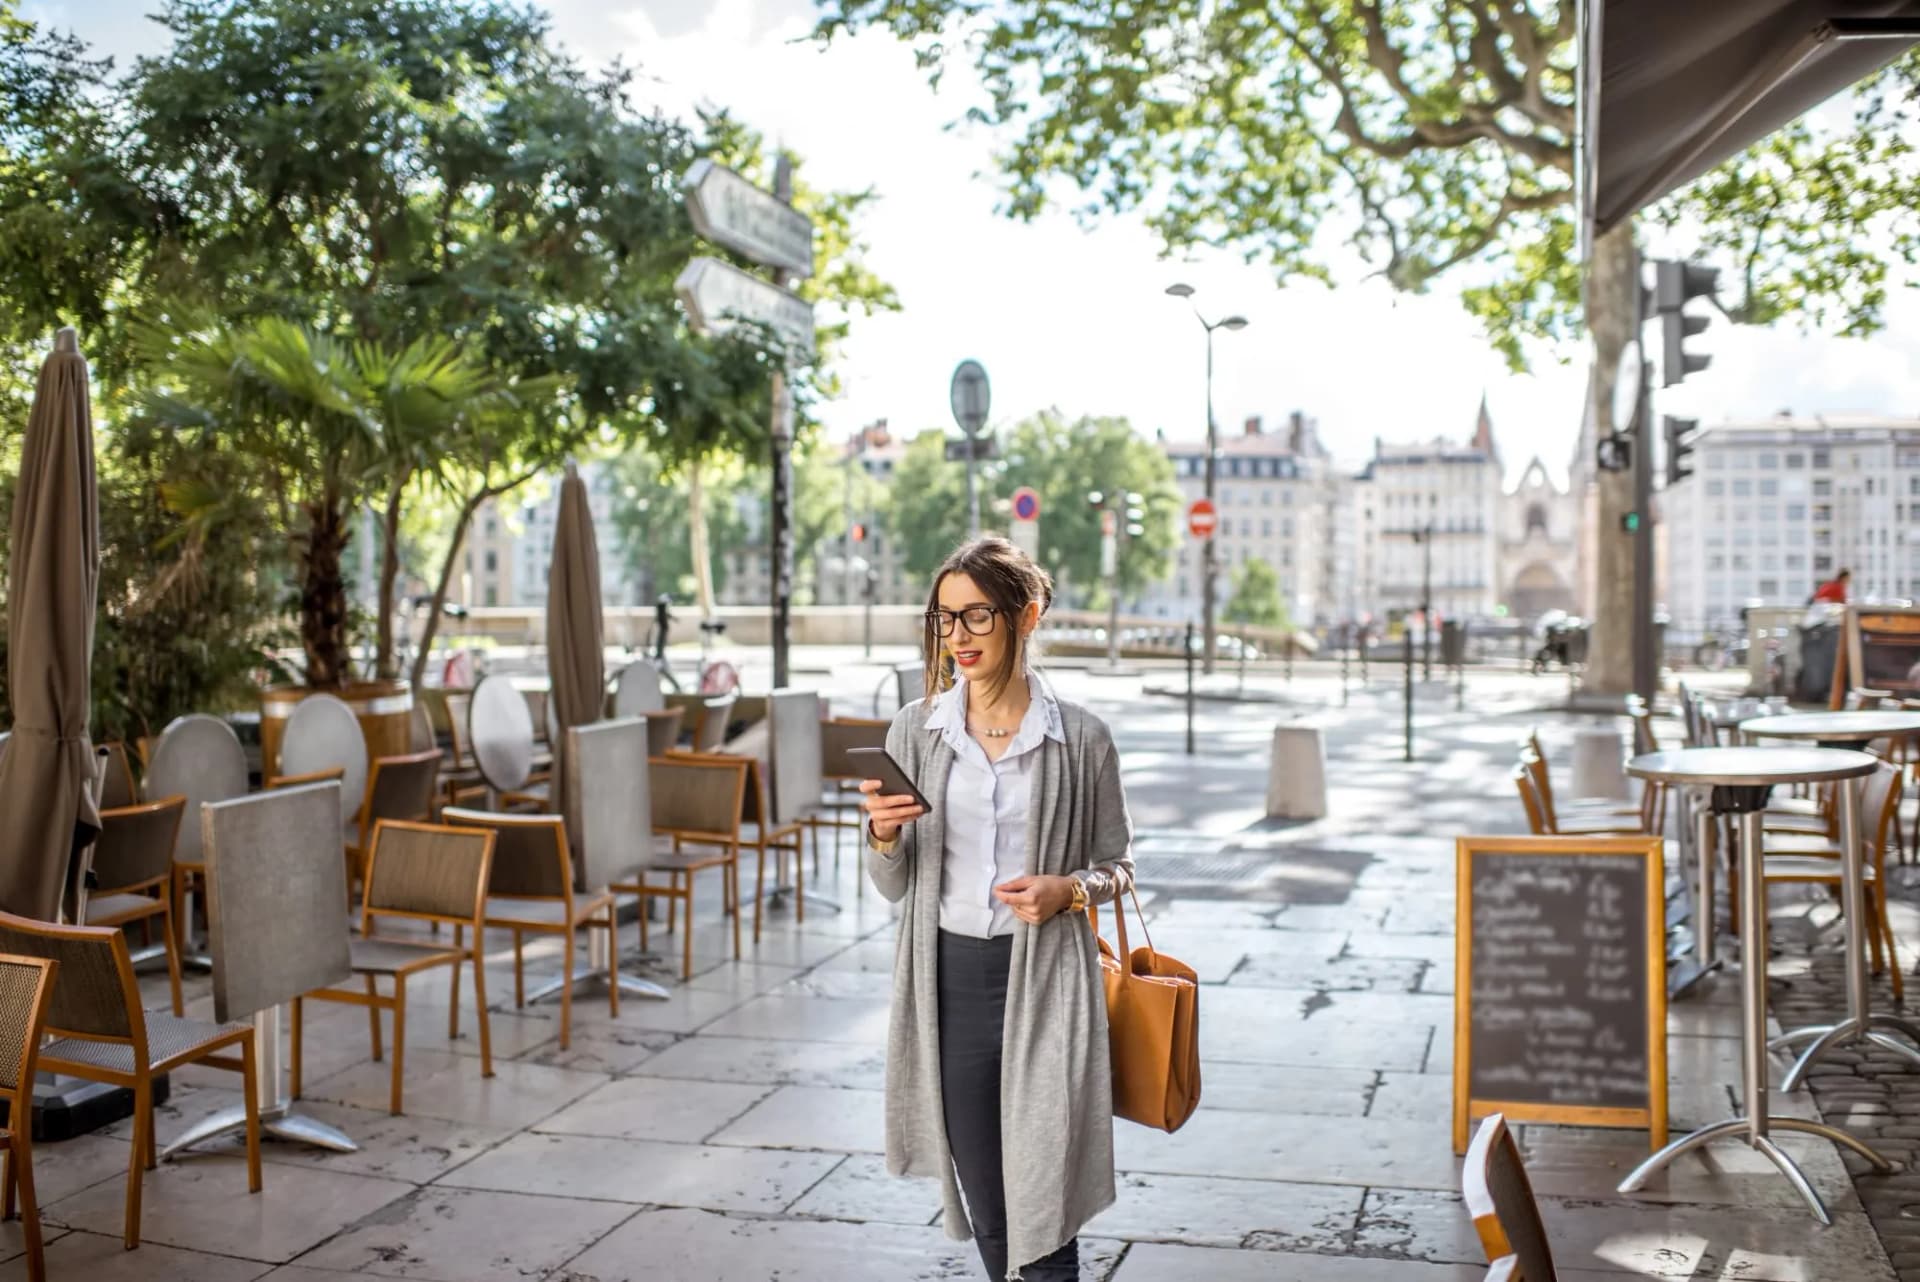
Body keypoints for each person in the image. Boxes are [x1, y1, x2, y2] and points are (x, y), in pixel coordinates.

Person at [860, 536, 1135, 1282]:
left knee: (1044, 1199)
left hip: (1045, 983)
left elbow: (1120, 867)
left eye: (977, 617)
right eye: (946, 620)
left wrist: (1067, 890)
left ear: (1028, 615)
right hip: (947, 983)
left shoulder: (1080, 738)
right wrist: (884, 834)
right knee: (991, 1204)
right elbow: (893, 886)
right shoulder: (917, 732)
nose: (958, 639)